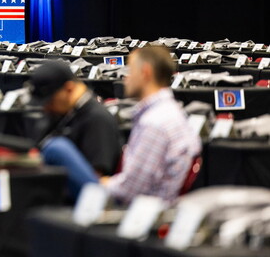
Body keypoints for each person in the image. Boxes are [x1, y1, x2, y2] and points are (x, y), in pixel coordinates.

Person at [40, 46, 201, 203]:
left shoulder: (155, 123)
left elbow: (130, 191)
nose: (126, 78)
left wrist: (103, 183)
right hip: (141, 202)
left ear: (145, 73)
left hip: (131, 211)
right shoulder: (170, 113)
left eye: (130, 71)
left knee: (57, 149)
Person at [27, 61, 122, 197]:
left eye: (50, 101)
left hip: (83, 201)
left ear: (69, 89)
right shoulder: (61, 113)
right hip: (52, 190)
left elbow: (95, 178)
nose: (46, 107)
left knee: (56, 148)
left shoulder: (97, 119)